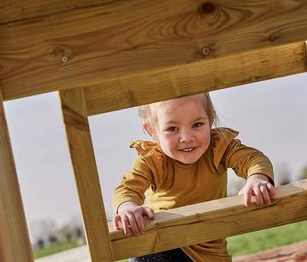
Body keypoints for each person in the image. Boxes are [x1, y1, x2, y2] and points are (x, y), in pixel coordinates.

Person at [112, 93, 275, 262]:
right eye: (172, 129)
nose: (187, 138)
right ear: (152, 130)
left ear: (210, 121)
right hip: (161, 242)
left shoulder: (219, 147)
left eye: (197, 124)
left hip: (208, 250)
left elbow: (252, 159)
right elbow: (127, 187)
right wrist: (127, 206)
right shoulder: (153, 159)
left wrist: (257, 177)